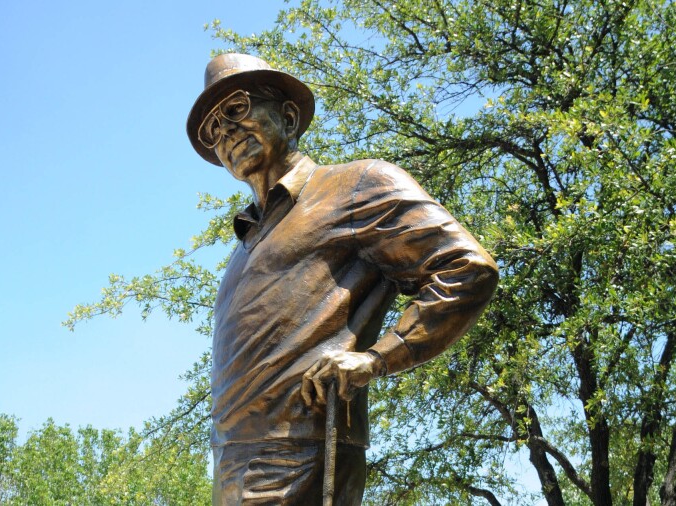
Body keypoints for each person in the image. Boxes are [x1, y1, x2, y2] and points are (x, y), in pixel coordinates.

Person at [186, 53, 499, 505]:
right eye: (212, 129)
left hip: (300, 453)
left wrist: (378, 357)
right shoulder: (244, 245)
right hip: (230, 463)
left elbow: (467, 269)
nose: (226, 131)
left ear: (288, 116)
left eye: (236, 109)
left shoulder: (357, 185)